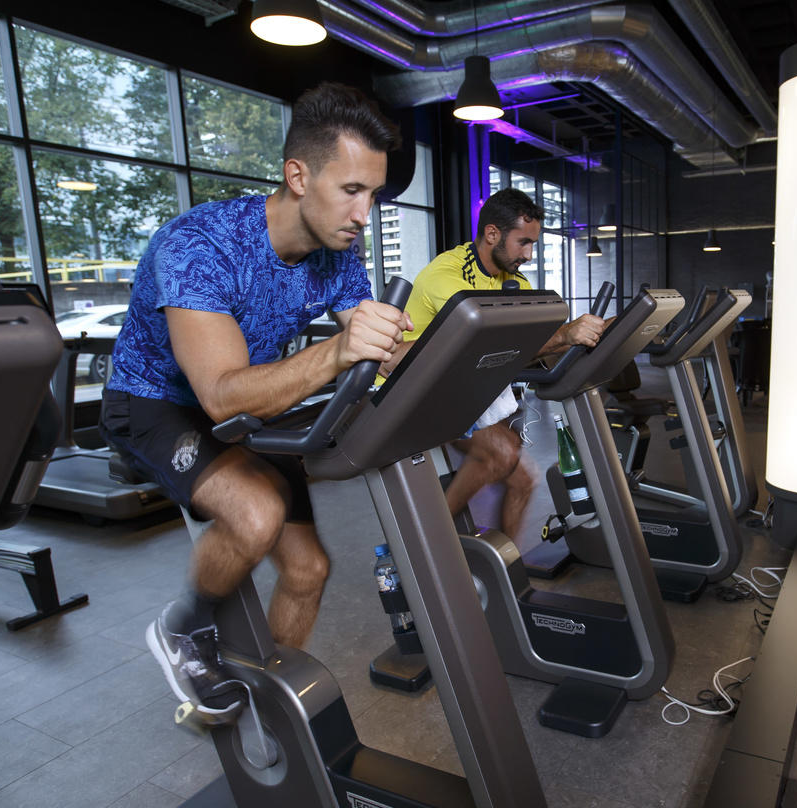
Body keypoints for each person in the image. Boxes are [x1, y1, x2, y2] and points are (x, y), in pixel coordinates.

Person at [99, 82, 411, 721]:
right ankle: (183, 627)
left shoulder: (338, 257)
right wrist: (339, 351)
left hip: (254, 398)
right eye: (352, 190)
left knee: (308, 571)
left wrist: (405, 353)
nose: (364, 212)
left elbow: (369, 344)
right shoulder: (200, 246)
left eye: (373, 194)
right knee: (257, 512)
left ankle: (266, 700)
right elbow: (217, 396)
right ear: (298, 175)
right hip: (158, 401)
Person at [380, 188, 607, 542]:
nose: (529, 255)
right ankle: (419, 543)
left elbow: (528, 346)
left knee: (522, 480)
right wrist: (564, 335)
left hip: (460, 384)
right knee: (499, 455)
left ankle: (507, 570)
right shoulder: (449, 276)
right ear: (492, 234)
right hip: (413, 387)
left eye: (533, 244)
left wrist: (590, 339)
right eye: (523, 243)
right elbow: (490, 347)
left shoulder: (515, 281)